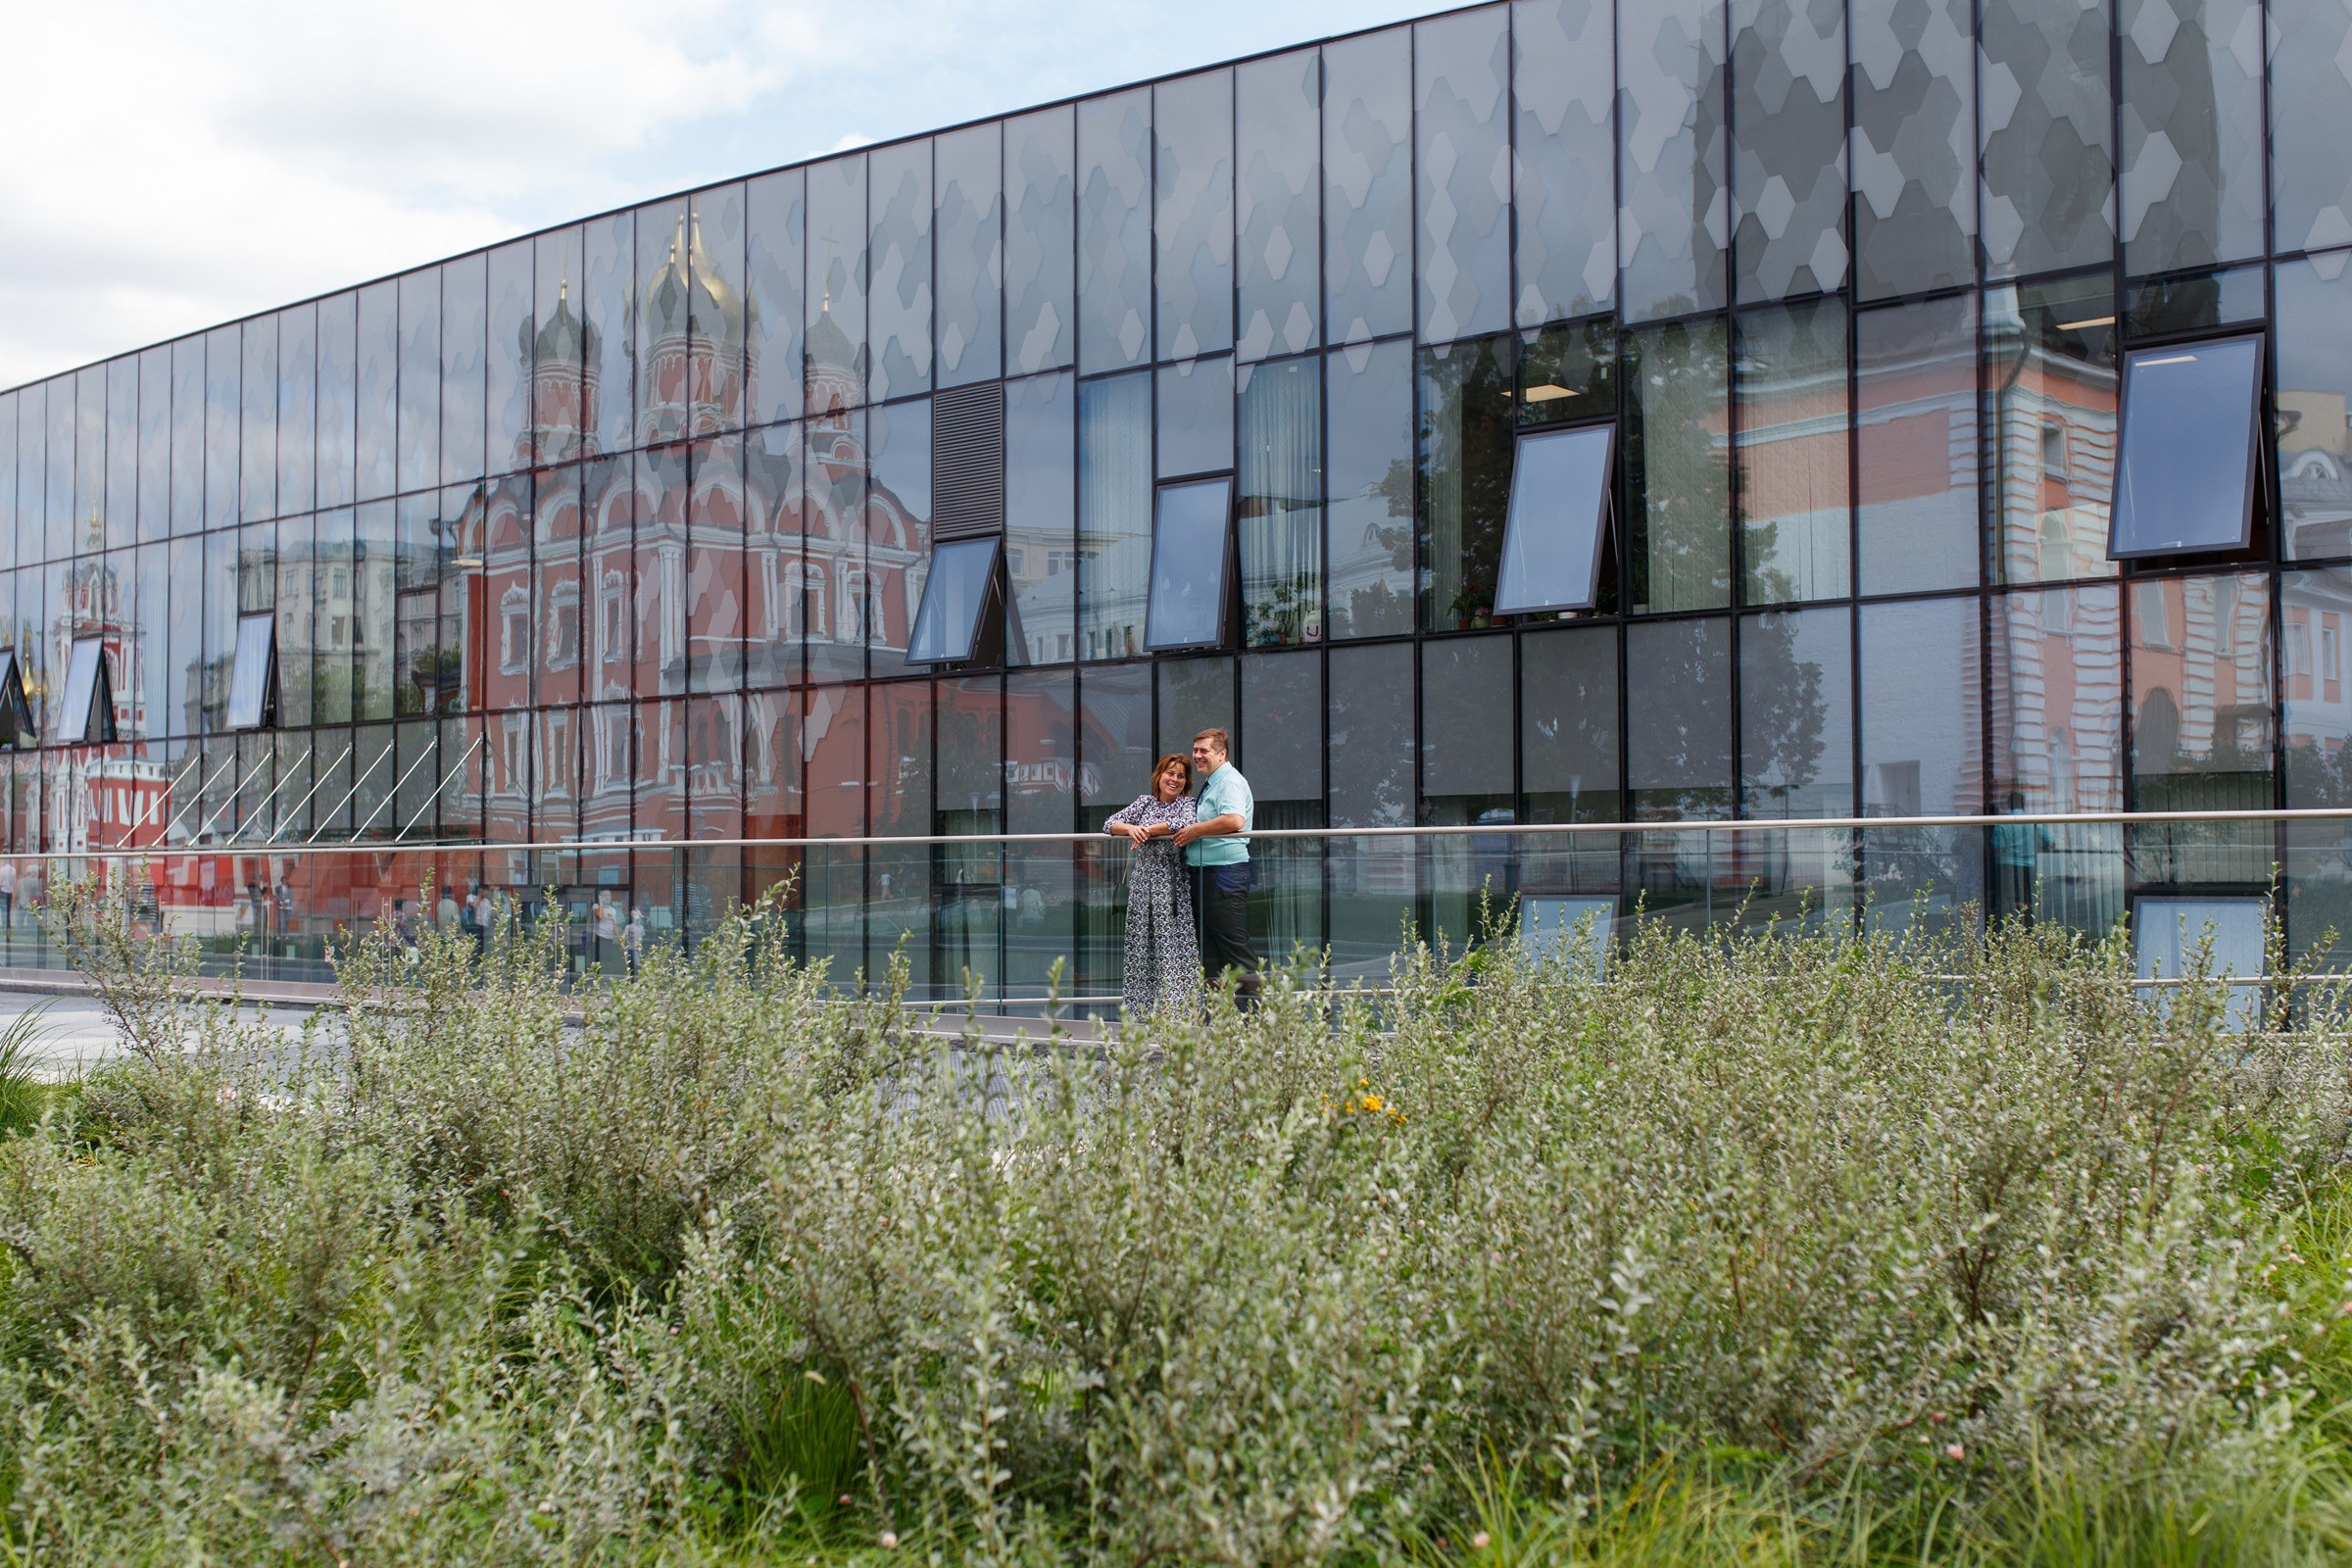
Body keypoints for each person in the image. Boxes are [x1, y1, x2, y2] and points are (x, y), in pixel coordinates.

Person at [1102, 754, 1200, 1016]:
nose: (1175, 779)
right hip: (1142, 884)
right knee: (1140, 945)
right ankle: (1141, 1013)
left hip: (1171, 885)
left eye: (1181, 776)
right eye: (1170, 773)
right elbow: (1109, 823)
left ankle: (1177, 1013)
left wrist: (1147, 831)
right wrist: (1131, 830)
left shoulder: (1186, 804)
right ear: (1159, 776)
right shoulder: (1143, 803)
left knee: (1171, 946)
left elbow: (1185, 824)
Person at [1174, 728, 1259, 1008]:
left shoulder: (1229, 782)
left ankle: (1255, 1025)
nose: (1197, 756)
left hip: (1223, 873)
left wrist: (1195, 830)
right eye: (1195, 750)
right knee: (1211, 953)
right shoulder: (1212, 782)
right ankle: (1219, 1025)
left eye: (1204, 751)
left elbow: (1234, 820)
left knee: (1236, 951)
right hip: (1206, 873)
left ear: (1222, 754)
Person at [592, 896, 620, 976]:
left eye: (609, 895)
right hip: (600, 936)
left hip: (609, 937)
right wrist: (601, 902)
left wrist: (620, 941)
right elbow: (600, 916)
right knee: (601, 959)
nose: (607, 897)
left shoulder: (612, 910)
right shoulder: (596, 907)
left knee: (608, 959)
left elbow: (615, 925)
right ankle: (598, 975)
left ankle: (606, 975)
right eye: (605, 895)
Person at [623, 906, 647, 977]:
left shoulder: (641, 927)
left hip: (638, 948)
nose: (638, 920)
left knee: (638, 963)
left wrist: (641, 946)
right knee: (630, 963)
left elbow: (642, 937)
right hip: (630, 948)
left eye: (639, 918)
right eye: (637, 918)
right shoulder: (628, 927)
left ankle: (639, 975)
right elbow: (625, 938)